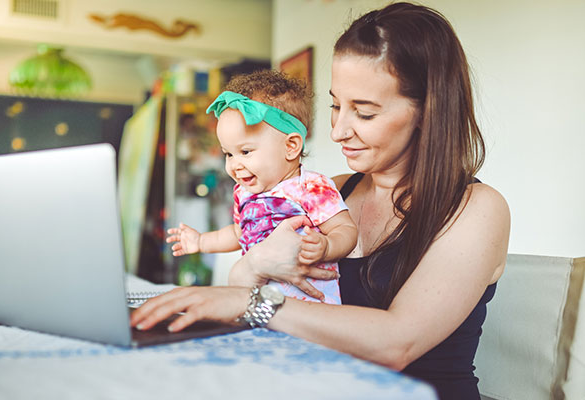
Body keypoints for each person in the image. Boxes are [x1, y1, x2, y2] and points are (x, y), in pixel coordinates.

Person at [132, 3, 510, 399]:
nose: (338, 131)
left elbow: (395, 344)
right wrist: (254, 267)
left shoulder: (476, 209)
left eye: (363, 113)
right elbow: (247, 283)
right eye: (334, 106)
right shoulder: (331, 190)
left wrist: (256, 301)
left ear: (427, 111)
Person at [166, 70, 358, 304]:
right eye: (228, 154)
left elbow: (346, 230)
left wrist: (327, 246)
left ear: (291, 147)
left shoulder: (310, 187)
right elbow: (238, 233)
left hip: (311, 308)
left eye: (245, 152)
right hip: (260, 304)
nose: (234, 165)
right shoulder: (244, 194)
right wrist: (201, 241)